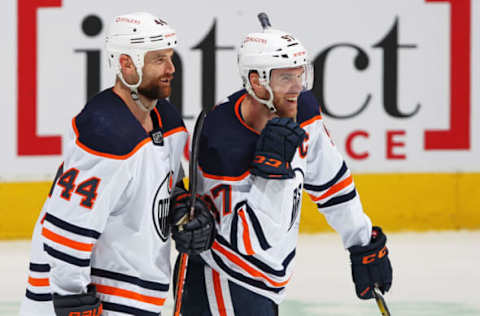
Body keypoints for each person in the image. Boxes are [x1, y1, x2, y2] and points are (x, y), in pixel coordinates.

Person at [178, 20, 393, 315]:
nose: (297, 88)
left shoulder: (302, 109)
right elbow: (249, 241)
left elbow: (331, 181)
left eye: (300, 75)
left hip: (269, 279)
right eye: (285, 78)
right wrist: (272, 175)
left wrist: (360, 240)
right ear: (256, 82)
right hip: (224, 277)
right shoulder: (221, 138)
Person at [19, 12, 215, 316]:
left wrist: (180, 209)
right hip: (95, 296)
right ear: (126, 63)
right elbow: (67, 227)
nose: (171, 69)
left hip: (135, 292)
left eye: (171, 57)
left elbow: (163, 187)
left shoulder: (169, 123)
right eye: (158, 60)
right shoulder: (106, 133)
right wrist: (72, 298)